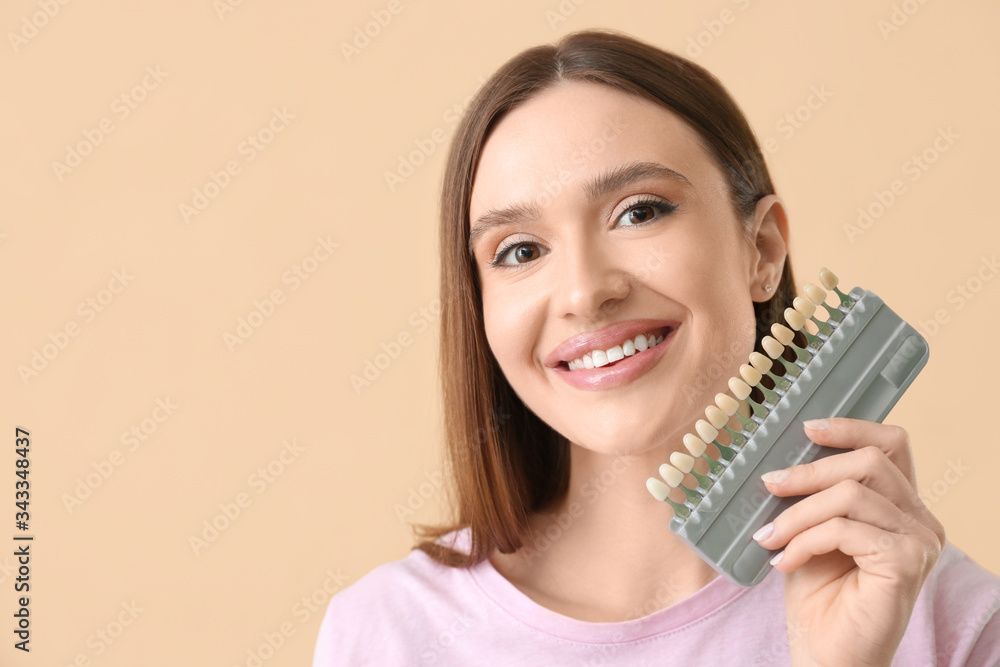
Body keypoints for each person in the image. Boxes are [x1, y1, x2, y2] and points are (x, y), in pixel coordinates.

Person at [314, 28, 1000, 665]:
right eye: (519, 250)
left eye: (639, 211)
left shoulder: (949, 622)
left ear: (761, 250)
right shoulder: (386, 634)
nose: (585, 291)